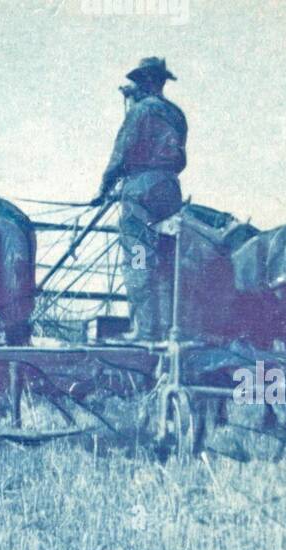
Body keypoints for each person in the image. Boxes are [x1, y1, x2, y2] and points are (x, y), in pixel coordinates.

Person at [93, 58, 188, 340]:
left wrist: (103, 187)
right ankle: (167, 330)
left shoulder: (141, 111)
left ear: (146, 82)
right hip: (170, 191)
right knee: (166, 262)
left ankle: (144, 331)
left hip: (140, 193)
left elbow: (122, 150)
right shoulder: (177, 114)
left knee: (138, 259)